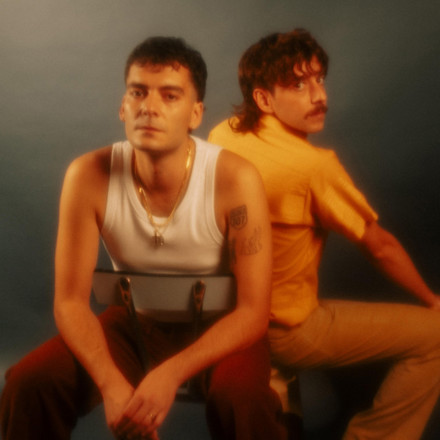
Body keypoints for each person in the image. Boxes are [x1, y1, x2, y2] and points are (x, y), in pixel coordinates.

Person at [0, 36, 288, 440]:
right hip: (134, 323)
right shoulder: (87, 175)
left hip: (219, 326)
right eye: (138, 92)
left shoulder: (235, 178)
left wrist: (169, 374)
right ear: (123, 106)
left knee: (242, 401)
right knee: (29, 383)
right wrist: (112, 385)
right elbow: (69, 302)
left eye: (170, 96)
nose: (149, 107)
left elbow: (254, 312)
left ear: (195, 113)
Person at [209, 29, 440, 440]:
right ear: (263, 99)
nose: (319, 96)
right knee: (437, 335)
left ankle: (283, 403)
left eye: (319, 79)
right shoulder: (313, 167)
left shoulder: (223, 134)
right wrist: (432, 300)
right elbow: (381, 247)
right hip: (288, 330)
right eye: (298, 85)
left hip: (234, 316)